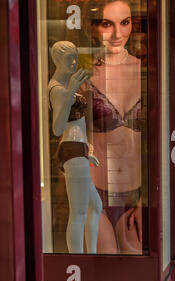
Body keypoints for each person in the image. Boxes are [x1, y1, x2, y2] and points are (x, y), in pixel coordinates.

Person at [83, 0, 143, 254]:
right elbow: (72, 137)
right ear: (94, 27)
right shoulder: (84, 74)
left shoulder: (146, 70)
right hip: (94, 190)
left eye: (125, 23)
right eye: (107, 24)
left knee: (134, 275)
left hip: (135, 192)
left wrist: (147, 199)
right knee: (105, 273)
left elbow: (160, 140)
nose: (118, 34)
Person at [48, 41, 103, 254]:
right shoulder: (58, 89)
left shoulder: (64, 86)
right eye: (68, 58)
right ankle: (78, 261)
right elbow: (57, 128)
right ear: (56, 60)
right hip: (71, 149)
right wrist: (71, 92)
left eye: (75, 57)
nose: (73, 62)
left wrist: (87, 151)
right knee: (79, 212)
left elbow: (78, 124)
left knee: (95, 206)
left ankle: (91, 256)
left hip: (78, 150)